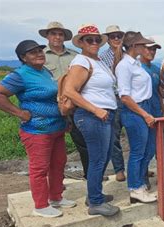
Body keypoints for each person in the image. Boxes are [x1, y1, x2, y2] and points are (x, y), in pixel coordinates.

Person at [0, 40, 75, 218]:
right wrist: (19, 113)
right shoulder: (20, 75)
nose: (39, 54)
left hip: (57, 128)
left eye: (40, 50)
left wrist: (66, 118)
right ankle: (40, 205)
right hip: (37, 131)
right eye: (32, 52)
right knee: (40, 168)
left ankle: (56, 197)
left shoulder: (44, 71)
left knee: (58, 163)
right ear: (23, 58)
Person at [64, 24, 119, 216]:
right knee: (97, 159)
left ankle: (94, 194)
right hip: (92, 116)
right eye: (89, 40)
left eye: (97, 39)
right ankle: (95, 202)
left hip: (105, 114)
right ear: (81, 43)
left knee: (103, 157)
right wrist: (95, 109)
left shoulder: (96, 61)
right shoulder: (81, 61)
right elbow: (69, 90)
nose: (94, 43)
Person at [39, 22, 92, 181]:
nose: (57, 37)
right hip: (50, 105)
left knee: (82, 141)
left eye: (60, 34)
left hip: (73, 105)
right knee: (50, 144)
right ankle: (54, 180)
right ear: (47, 36)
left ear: (64, 37)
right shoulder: (41, 55)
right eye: (53, 33)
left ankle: (90, 175)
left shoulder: (74, 56)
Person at [115, 31, 158, 203]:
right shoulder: (124, 66)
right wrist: (144, 114)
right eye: (142, 44)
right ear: (134, 46)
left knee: (148, 149)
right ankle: (135, 187)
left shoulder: (136, 64)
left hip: (144, 107)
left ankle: (139, 184)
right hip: (135, 110)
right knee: (138, 151)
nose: (145, 47)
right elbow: (124, 96)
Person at [139, 36, 164, 189]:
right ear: (141, 49)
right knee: (144, 147)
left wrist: (162, 109)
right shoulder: (136, 67)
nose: (151, 51)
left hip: (156, 111)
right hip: (142, 113)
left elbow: (160, 90)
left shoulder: (154, 68)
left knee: (162, 147)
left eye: (154, 49)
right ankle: (143, 177)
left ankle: (162, 177)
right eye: (149, 48)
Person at [100, 25, 126, 182]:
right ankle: (119, 169)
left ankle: (140, 168)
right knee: (114, 136)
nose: (116, 39)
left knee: (135, 134)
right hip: (115, 98)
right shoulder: (103, 57)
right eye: (112, 36)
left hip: (130, 99)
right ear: (108, 40)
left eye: (118, 36)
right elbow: (110, 78)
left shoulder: (130, 55)